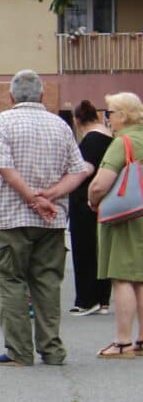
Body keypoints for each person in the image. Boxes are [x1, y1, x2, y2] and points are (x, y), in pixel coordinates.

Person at [0, 69, 90, 366]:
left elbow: (2, 166)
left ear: (10, 96)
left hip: (10, 217)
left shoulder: (3, 121)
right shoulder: (60, 125)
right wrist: (50, 196)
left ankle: (19, 351)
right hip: (52, 219)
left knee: (10, 281)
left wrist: (31, 197)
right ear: (42, 95)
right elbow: (79, 170)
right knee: (47, 282)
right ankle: (52, 349)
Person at [86, 92, 143, 358]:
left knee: (122, 278)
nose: (107, 119)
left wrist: (92, 199)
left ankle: (122, 342)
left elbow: (101, 183)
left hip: (125, 216)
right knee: (141, 278)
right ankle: (141, 341)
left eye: (109, 113)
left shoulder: (123, 142)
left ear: (122, 115)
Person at [68, 100, 114, 315]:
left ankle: (87, 299)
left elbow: (85, 170)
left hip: (85, 200)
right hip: (104, 199)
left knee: (84, 249)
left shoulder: (91, 140)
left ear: (78, 121)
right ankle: (103, 298)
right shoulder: (108, 137)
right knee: (101, 249)